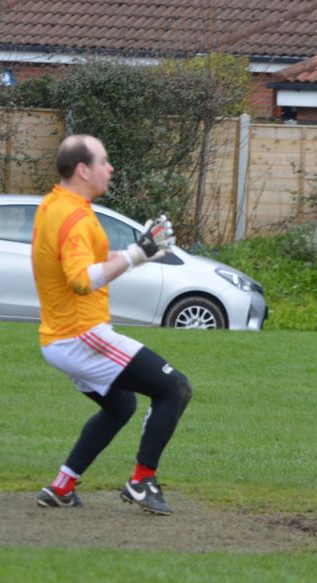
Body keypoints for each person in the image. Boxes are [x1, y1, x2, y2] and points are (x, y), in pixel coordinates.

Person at [31, 134, 192, 516]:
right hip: (80, 333)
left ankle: (61, 486)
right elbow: (82, 279)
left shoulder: (55, 204)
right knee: (175, 387)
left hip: (60, 336)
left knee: (120, 406)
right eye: (104, 160)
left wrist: (142, 254)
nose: (111, 167)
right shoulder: (73, 215)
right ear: (83, 169)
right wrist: (136, 254)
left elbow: (89, 261)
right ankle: (141, 481)